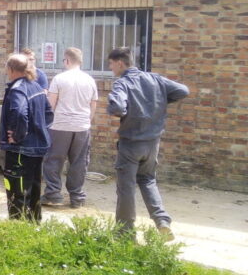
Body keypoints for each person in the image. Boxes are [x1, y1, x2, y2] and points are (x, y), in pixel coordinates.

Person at [107, 47, 189, 240]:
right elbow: (183, 91)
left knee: (126, 187)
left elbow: (118, 107)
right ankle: (162, 221)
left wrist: (118, 110)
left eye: (111, 64)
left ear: (120, 63)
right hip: (152, 143)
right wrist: (160, 102)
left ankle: (124, 232)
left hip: (131, 144)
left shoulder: (122, 84)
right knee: (148, 180)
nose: (110, 68)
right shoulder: (155, 79)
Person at [41, 47, 98, 208]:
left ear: (67, 60)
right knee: (79, 162)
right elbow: (93, 105)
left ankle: (53, 194)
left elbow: (51, 105)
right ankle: (77, 197)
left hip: (60, 125)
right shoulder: (90, 80)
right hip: (82, 126)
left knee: (54, 160)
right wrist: (87, 122)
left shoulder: (59, 79)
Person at [0, 53, 54, 222]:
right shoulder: (37, 87)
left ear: (10, 69)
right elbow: (49, 114)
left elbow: (19, 112)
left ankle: (18, 229)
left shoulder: (18, 89)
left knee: (17, 191)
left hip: (21, 150)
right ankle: (34, 225)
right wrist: (38, 130)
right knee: (34, 189)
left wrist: (17, 135)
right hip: (37, 148)